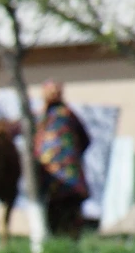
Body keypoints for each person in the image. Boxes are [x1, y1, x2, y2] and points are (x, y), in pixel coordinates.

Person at [34, 80, 93, 237]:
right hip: (59, 177)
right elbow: (86, 139)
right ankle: (65, 246)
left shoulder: (46, 116)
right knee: (64, 214)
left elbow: (85, 139)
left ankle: (64, 246)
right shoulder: (61, 114)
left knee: (61, 213)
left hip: (56, 178)